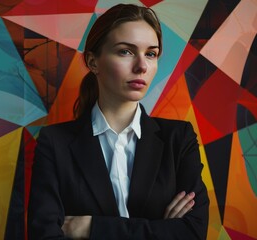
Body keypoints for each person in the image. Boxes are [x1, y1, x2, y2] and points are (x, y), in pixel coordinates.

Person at [27, 3, 209, 240]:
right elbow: (44, 235)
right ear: (93, 62)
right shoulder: (55, 143)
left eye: (151, 54)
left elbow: (193, 232)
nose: (142, 66)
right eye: (126, 51)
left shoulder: (178, 138)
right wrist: (161, 230)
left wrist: (91, 228)